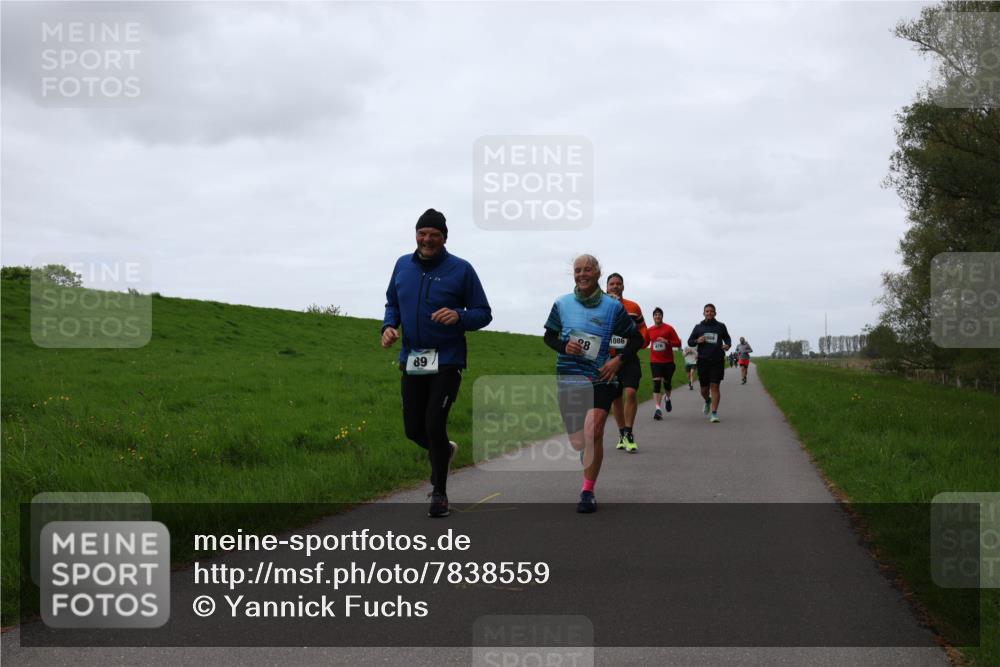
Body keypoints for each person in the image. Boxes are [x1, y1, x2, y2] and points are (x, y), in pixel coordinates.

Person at [382, 208, 492, 518]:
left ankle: (440, 494)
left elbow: (483, 313)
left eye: (434, 234)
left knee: (434, 423)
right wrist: (389, 326)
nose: (427, 239)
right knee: (412, 428)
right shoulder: (402, 266)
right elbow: (393, 302)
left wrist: (460, 315)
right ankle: (444, 451)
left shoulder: (461, 269)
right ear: (416, 235)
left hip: (447, 358)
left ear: (444, 238)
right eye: (423, 233)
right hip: (413, 357)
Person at [544, 255, 644, 513]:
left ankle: (587, 490)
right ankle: (585, 452)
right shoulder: (562, 304)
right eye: (577, 270)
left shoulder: (613, 308)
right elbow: (549, 336)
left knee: (594, 430)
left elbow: (635, 340)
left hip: (602, 376)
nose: (582, 274)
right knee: (579, 441)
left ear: (598, 273)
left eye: (587, 269)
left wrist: (618, 362)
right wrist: (564, 345)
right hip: (569, 376)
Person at [605, 273, 648, 452]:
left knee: (630, 392)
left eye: (618, 284)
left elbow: (642, 328)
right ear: (606, 288)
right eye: (612, 284)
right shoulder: (600, 307)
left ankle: (629, 432)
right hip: (608, 359)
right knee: (616, 398)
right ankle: (622, 433)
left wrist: (641, 343)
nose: (615, 286)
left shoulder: (633, 307)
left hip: (629, 357)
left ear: (623, 287)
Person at [687, 304, 732, 423]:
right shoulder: (698, 327)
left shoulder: (721, 326)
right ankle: (707, 400)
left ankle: (714, 413)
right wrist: (697, 340)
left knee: (715, 386)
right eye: (707, 311)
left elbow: (727, 338)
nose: (709, 313)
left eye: (711, 311)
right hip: (703, 361)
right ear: (703, 313)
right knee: (704, 390)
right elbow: (690, 341)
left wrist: (727, 345)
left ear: (715, 313)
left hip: (717, 360)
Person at [646, 307, 682, 420]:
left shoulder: (669, 328)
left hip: (668, 362)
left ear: (662, 316)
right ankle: (658, 409)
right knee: (656, 384)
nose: (657, 316)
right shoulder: (649, 330)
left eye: (659, 314)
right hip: (655, 361)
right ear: (653, 317)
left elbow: (678, 343)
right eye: (655, 315)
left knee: (667, 384)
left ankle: (667, 398)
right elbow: (645, 342)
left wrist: (667, 341)